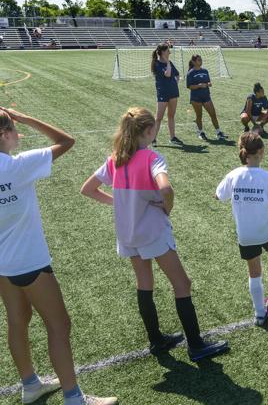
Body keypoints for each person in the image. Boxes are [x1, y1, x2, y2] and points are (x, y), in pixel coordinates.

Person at [80, 107, 229, 362]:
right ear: (148, 131)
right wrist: (166, 207)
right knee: (182, 284)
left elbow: (88, 189)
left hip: (128, 234)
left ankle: (156, 341)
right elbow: (166, 188)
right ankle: (196, 346)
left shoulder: (115, 158)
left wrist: (118, 202)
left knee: (144, 283)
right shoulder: (151, 158)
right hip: (152, 232)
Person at [0, 108, 117, 405]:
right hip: (29, 260)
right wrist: (25, 117)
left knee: (17, 321)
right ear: (4, 134)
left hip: (3, 264)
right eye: (13, 129)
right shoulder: (18, 166)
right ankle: (73, 399)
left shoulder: (16, 164)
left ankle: (30, 384)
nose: (17, 135)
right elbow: (66, 141)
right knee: (59, 324)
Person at [216, 133, 268, 326]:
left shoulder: (233, 175)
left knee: (254, 272)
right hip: (265, 231)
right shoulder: (266, 177)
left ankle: (259, 315)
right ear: (261, 152)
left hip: (245, 235)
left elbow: (219, 195)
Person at [186, 54, 226, 141]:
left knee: (213, 114)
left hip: (206, 97)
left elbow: (209, 82)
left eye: (201, 59)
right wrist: (199, 86)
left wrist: (208, 84)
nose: (201, 61)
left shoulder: (205, 71)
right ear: (194, 62)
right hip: (196, 98)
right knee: (199, 116)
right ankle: (200, 132)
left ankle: (218, 132)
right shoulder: (190, 73)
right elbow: (189, 86)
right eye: (199, 60)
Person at [151, 43, 182, 145]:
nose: (169, 52)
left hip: (173, 92)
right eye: (168, 50)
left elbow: (177, 74)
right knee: (159, 117)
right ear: (163, 52)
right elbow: (168, 74)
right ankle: (153, 138)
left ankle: (172, 138)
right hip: (163, 93)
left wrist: (175, 82)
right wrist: (167, 61)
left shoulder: (170, 63)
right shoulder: (157, 64)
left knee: (171, 116)